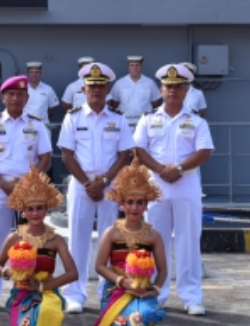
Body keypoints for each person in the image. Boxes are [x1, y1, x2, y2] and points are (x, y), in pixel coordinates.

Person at [133, 64, 215, 316]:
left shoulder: (196, 121)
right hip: (156, 186)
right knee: (154, 241)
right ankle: (156, 294)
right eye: (168, 86)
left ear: (186, 90)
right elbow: (139, 149)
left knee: (188, 240)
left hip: (186, 185)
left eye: (178, 87)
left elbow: (205, 151)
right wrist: (160, 169)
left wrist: (178, 168)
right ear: (161, 89)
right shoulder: (148, 119)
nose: (173, 91)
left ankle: (191, 296)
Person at [56, 62, 134, 314]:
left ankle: (106, 292)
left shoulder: (118, 119)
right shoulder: (73, 117)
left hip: (110, 184)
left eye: (101, 86)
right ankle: (74, 294)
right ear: (83, 89)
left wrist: (105, 181)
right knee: (77, 240)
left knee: (109, 239)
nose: (97, 91)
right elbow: (67, 154)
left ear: (108, 89)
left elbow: (124, 154)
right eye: (92, 87)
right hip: (82, 184)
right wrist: (88, 183)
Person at [0, 75, 52, 313]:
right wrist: (3, 184)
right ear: (3, 97)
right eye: (11, 94)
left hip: (29, 193)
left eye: (20, 94)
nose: (16, 98)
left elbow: (46, 158)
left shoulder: (37, 124)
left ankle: (26, 291)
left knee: (30, 244)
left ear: (27, 98)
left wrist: (29, 184)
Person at [0, 165, 78, 326]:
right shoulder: (14, 237)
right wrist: (8, 272)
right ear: (23, 212)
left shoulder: (56, 240)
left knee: (45, 312)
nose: (35, 213)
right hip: (20, 293)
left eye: (39, 208)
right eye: (30, 209)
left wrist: (42, 286)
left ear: (47, 209)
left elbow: (73, 273)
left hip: (47, 293)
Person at [93, 158, 168, 326]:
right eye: (130, 202)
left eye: (140, 202)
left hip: (143, 290)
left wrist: (155, 289)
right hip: (115, 289)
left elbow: (163, 270)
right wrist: (122, 281)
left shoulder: (153, 236)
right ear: (121, 204)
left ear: (146, 205)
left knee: (146, 315)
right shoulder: (112, 233)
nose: (134, 207)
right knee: (128, 320)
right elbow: (100, 266)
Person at [110, 56, 162, 127]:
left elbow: (156, 103)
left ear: (141, 67)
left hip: (145, 121)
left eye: (137, 65)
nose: (135, 68)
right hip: (124, 121)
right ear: (128, 67)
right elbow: (114, 103)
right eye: (132, 65)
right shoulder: (120, 83)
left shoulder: (150, 83)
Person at [22, 61, 60, 127]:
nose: (34, 75)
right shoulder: (22, 89)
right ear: (28, 74)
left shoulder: (48, 89)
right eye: (31, 72)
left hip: (43, 125)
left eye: (37, 72)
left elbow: (52, 107)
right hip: (25, 125)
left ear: (40, 74)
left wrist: (43, 116)